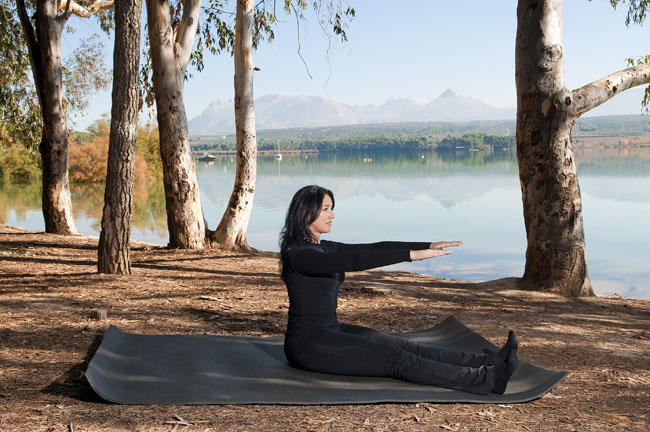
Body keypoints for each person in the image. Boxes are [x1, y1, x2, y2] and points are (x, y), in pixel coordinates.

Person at [279, 185, 518, 395]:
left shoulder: (324, 247)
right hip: (308, 344)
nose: (332, 215)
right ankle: (486, 380)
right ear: (307, 212)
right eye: (326, 209)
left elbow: (374, 247)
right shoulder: (300, 257)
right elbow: (357, 260)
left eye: (331, 208)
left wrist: (426, 245)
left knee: (403, 346)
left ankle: (490, 362)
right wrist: (410, 257)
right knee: (396, 360)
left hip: (332, 329)